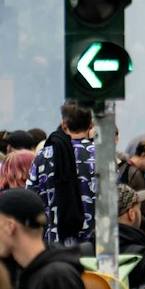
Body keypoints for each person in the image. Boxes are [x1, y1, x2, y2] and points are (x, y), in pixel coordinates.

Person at [27, 103, 99, 247]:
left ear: (64, 125)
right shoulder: (103, 156)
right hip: (96, 244)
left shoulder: (43, 156)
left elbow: (31, 199)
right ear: (91, 125)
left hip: (56, 244)